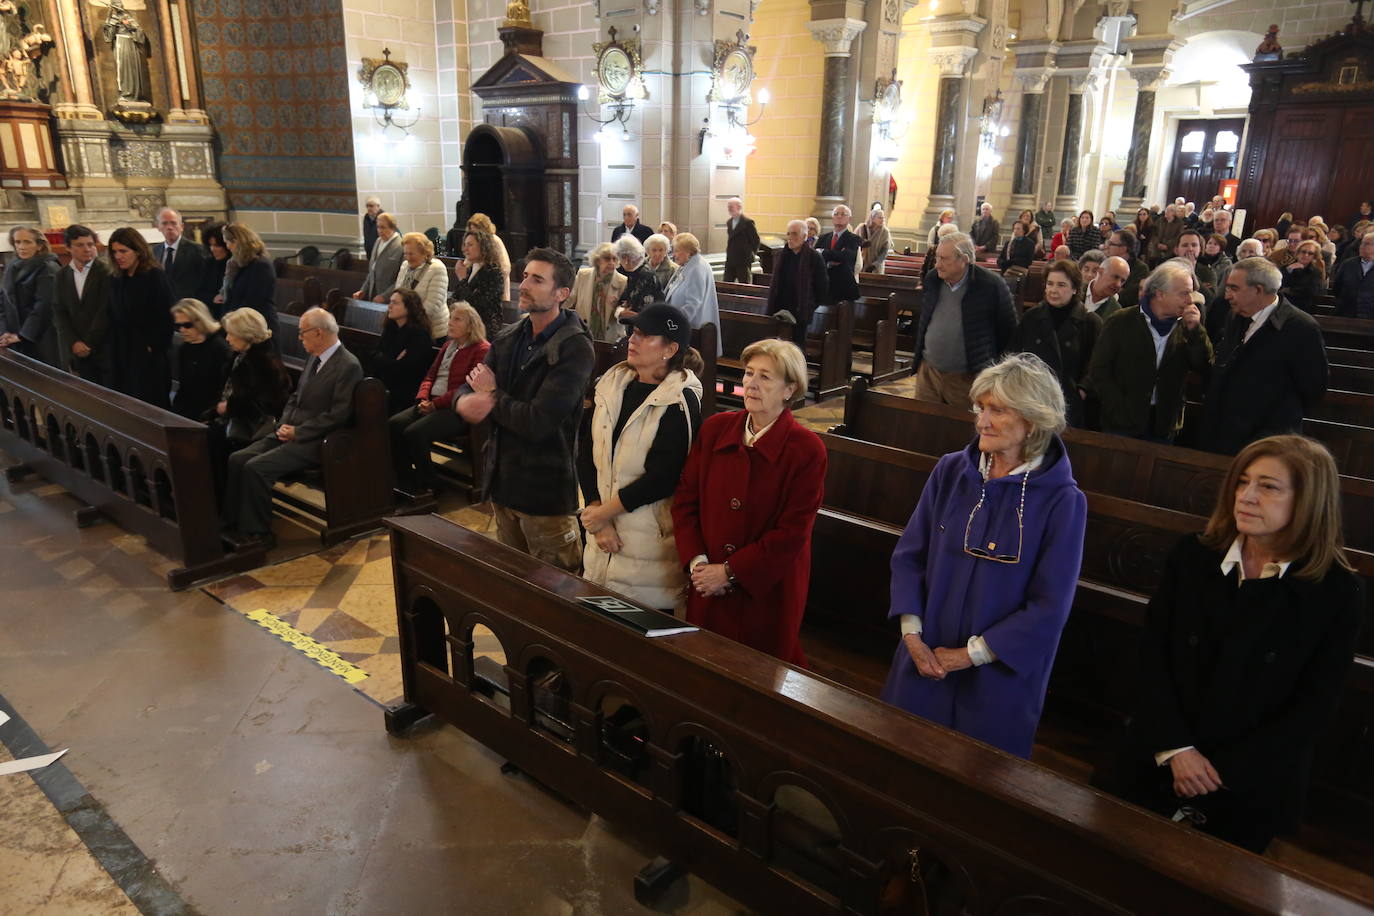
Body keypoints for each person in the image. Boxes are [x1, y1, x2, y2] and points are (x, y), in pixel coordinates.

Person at [1102, 435, 1362, 853]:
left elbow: (1313, 706)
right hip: (1160, 752)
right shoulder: (1194, 556)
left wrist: (1218, 772)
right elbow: (1153, 656)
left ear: (1308, 502)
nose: (1247, 496)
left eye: (1268, 486)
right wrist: (1178, 749)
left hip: (1249, 781)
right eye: (1243, 482)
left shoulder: (1335, 592)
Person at [880, 353, 1086, 758]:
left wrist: (970, 655)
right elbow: (910, 556)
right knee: (901, 764)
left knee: (975, 787)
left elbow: (1049, 606)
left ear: (1033, 420)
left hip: (997, 677)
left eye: (998, 410)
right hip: (924, 656)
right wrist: (911, 635)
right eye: (980, 407)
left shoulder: (1063, 501)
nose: (981, 421)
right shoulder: (951, 471)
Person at [672, 338, 826, 665]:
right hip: (706, 579)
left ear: (789, 389)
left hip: (767, 590)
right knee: (702, 666)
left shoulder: (806, 449)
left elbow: (792, 533)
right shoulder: (715, 430)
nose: (751, 383)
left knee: (760, 674)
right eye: (749, 373)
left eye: (765, 377)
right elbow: (685, 501)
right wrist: (698, 563)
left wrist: (729, 572)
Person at [456, 247, 595, 572]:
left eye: (537, 279)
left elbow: (538, 421)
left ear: (562, 293)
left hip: (544, 493)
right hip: (504, 483)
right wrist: (464, 400)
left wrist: (491, 395)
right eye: (525, 277)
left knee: (555, 590)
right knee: (514, 584)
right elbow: (469, 384)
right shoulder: (509, 336)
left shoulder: (574, 348)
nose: (525, 285)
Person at [579, 304, 704, 611]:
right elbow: (585, 452)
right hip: (602, 537)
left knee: (638, 639)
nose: (632, 340)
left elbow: (664, 477)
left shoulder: (680, 400)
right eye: (634, 331)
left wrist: (605, 513)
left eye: (645, 335)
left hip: (646, 547)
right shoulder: (611, 385)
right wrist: (598, 514)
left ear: (670, 349)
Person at [222, 307, 363, 548]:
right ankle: (232, 521)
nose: (299, 338)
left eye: (302, 333)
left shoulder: (347, 365)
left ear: (318, 332)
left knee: (256, 468)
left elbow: (338, 414)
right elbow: (294, 397)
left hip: (316, 441)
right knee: (237, 458)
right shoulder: (314, 358)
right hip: (289, 430)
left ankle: (259, 533)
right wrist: (285, 422)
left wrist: (299, 431)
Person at [1202, 258, 1327, 455]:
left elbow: (1313, 388)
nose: (1227, 296)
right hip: (1224, 433)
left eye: (1234, 288)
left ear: (1258, 290)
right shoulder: (1235, 316)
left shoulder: (1301, 328)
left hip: (1268, 441)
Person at [1088, 259, 1213, 443]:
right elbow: (1099, 370)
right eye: (1184, 293)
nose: (1190, 301)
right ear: (1160, 294)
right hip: (1121, 423)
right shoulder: (1121, 321)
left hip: (1162, 424)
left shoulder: (1188, 326)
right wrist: (1118, 408)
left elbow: (1204, 366)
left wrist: (1196, 332)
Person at [388, 302, 490, 495]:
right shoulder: (448, 346)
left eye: (457, 319)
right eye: (450, 318)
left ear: (471, 325)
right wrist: (423, 398)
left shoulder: (481, 349)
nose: (450, 323)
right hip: (432, 403)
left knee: (415, 432)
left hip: (457, 409)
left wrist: (436, 404)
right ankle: (406, 478)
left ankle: (432, 483)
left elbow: (467, 388)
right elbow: (430, 375)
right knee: (394, 424)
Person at [912, 232, 1018, 411]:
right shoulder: (933, 279)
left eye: (944, 259)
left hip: (968, 378)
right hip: (929, 372)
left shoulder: (991, 285)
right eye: (937, 257)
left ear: (964, 259)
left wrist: (994, 374)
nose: (937, 264)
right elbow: (926, 321)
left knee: (962, 430)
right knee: (923, 425)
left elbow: (1009, 332)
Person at [206, 307, 290, 505]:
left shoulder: (261, 364)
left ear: (246, 335)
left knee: (211, 440)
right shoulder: (243, 357)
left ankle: (221, 505)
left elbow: (265, 405)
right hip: (235, 422)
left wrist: (228, 408)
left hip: (251, 430)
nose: (227, 338)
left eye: (231, 333)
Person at [1008, 259, 1101, 427]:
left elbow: (1096, 363)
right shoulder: (1032, 317)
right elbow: (1014, 353)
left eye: (1061, 285)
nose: (1053, 290)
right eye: (1049, 284)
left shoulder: (1089, 322)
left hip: (1068, 401)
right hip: (1033, 398)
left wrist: (1083, 389)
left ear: (1074, 288)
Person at [105, 227, 174, 407]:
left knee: (150, 403)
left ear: (138, 251)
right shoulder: (116, 278)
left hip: (147, 352)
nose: (118, 256)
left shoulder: (153, 276)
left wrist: (154, 346)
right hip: (122, 350)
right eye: (114, 252)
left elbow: (166, 314)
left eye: (123, 251)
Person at [52, 224, 112, 382]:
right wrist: (74, 342)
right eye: (80, 245)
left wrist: (89, 343)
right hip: (76, 349)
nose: (87, 249)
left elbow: (105, 310)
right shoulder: (62, 275)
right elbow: (60, 311)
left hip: (104, 347)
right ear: (68, 248)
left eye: (90, 244)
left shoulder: (106, 272)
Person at [369, 288, 437, 416]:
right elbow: (373, 356)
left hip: (406, 392)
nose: (389, 306)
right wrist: (393, 361)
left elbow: (406, 368)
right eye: (390, 302)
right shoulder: (391, 328)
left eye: (395, 303)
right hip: (385, 384)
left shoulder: (419, 335)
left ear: (408, 308)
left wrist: (385, 360)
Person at [0, 225, 61, 367]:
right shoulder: (12, 266)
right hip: (13, 336)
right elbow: (3, 300)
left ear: (39, 245)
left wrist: (22, 335)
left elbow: (43, 307)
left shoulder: (48, 267)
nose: (21, 246)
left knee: (45, 383)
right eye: (17, 242)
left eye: (27, 242)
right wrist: (4, 333)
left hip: (41, 338)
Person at [766, 219, 827, 346]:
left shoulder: (814, 257)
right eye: (788, 234)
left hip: (801, 311)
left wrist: (809, 306)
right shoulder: (783, 255)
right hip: (781, 308)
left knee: (798, 346)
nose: (790, 238)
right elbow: (777, 283)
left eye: (794, 234)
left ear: (805, 236)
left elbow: (822, 287)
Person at [170, 298, 232, 421]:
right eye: (178, 326)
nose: (182, 330)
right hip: (184, 410)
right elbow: (184, 387)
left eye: (187, 325)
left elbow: (221, 388)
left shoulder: (219, 349)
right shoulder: (184, 348)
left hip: (209, 414)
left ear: (200, 321)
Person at [221, 222, 280, 349]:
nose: (227, 247)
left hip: (257, 328)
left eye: (228, 242)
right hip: (241, 327)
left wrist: (233, 320)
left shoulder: (261, 265)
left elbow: (254, 300)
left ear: (237, 241)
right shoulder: (239, 265)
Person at [663, 232, 720, 349]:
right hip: (683, 328)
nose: (674, 255)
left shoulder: (697, 269)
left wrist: (673, 325)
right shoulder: (689, 265)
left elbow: (693, 304)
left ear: (688, 251)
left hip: (692, 331)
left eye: (677, 251)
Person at [391, 232, 449, 341]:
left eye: (411, 254)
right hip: (407, 328)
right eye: (405, 254)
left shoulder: (437, 268)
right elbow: (397, 293)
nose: (408, 258)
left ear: (424, 252)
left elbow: (433, 304)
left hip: (432, 331)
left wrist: (406, 318)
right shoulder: (405, 266)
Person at [567, 242, 628, 343]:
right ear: (598, 260)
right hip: (582, 331)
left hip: (609, 336)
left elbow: (622, 311)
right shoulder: (583, 275)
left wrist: (617, 307)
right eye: (607, 259)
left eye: (615, 259)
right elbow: (570, 300)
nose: (612, 263)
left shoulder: (622, 281)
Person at [152, 207, 213, 304]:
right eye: (164, 223)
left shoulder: (197, 250)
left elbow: (206, 281)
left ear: (181, 226)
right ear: (158, 227)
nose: (169, 227)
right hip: (162, 306)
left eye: (173, 223)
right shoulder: (155, 251)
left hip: (188, 307)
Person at [450, 229, 506, 334]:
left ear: (483, 247)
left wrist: (462, 279)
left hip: (484, 330)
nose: (464, 249)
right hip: (467, 327)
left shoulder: (493, 272)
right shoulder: (471, 269)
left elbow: (477, 304)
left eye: (470, 245)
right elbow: (456, 298)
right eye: (464, 245)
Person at [613, 234, 664, 320]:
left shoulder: (647, 275)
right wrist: (619, 311)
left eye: (630, 257)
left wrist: (627, 313)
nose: (626, 262)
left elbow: (649, 311)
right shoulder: (620, 270)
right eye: (622, 257)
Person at [817, 204, 861, 303]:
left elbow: (845, 257)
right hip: (825, 285)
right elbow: (816, 257)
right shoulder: (823, 238)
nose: (839, 216)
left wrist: (823, 252)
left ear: (849, 219)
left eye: (843, 214)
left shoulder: (853, 239)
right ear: (832, 218)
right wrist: (832, 261)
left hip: (843, 287)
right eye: (836, 214)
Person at [354, 212, 403, 303]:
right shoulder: (378, 242)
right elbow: (372, 272)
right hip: (373, 296)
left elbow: (401, 279)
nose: (380, 231)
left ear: (392, 228)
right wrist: (363, 290)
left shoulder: (400, 246)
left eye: (383, 227)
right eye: (378, 227)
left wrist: (385, 296)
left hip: (390, 299)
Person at [465, 213, 512, 299]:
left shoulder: (494, 240)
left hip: (494, 283)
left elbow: (505, 267)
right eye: (471, 229)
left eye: (476, 229)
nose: (474, 232)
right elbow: (468, 262)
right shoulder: (474, 240)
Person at [1332, 230, 1374, 319]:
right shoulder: (1348, 264)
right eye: (1362, 243)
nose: (1361, 246)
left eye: (1367, 244)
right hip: (1346, 314)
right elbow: (1337, 288)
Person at [1104, 229, 1148, 309]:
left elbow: (1128, 297)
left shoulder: (1140, 269)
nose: (1107, 246)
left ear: (1123, 248)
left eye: (1111, 244)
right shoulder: (1106, 263)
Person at [1279, 239, 1326, 314]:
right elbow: (1279, 287)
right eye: (1303, 252)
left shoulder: (1315, 272)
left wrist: (1289, 290)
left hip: (1304, 309)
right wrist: (1289, 271)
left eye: (1310, 253)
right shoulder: (1286, 268)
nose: (1306, 255)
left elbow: (1311, 292)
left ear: (1314, 257)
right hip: (1283, 306)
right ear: (1297, 253)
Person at [723, 197, 760, 283]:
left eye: (731, 206)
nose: (729, 208)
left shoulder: (747, 222)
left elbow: (756, 240)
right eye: (728, 206)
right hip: (731, 259)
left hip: (743, 260)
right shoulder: (729, 222)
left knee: (744, 285)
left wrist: (750, 254)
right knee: (727, 285)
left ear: (739, 207)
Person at [1173, 229, 1217, 301]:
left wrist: (1192, 272)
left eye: (1194, 245)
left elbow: (1210, 299)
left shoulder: (1207, 271)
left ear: (1200, 249)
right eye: (1185, 245)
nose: (1190, 249)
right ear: (1176, 250)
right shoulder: (1166, 269)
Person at [1082, 254, 1129, 320]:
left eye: (1122, 281)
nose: (1118, 284)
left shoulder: (1116, 311)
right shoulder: (1073, 289)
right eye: (1115, 277)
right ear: (1101, 271)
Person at [201, 222, 232, 315]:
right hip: (213, 314)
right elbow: (200, 292)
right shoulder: (208, 263)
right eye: (210, 245)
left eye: (217, 245)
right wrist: (212, 298)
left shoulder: (237, 264)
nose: (212, 249)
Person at [859, 208, 891, 274]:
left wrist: (875, 265)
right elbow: (856, 246)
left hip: (877, 267)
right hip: (862, 264)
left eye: (883, 218)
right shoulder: (863, 228)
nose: (882, 220)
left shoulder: (885, 232)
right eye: (880, 217)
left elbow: (884, 252)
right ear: (873, 218)